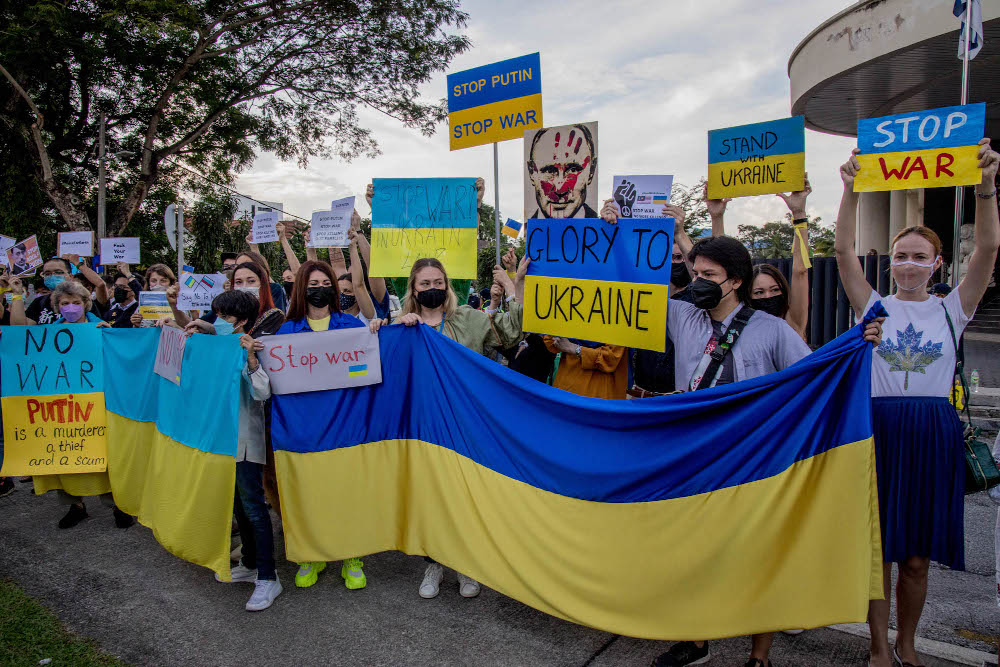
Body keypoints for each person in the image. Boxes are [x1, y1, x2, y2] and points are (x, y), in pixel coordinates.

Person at [598, 208, 884, 667]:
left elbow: (814, 374)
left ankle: (759, 655)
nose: (695, 280)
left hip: (754, 460)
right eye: (695, 272)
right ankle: (695, 642)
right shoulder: (683, 317)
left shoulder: (772, 330)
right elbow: (631, 286)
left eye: (707, 274)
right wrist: (611, 234)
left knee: (758, 555)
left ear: (733, 282)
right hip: (694, 453)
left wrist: (856, 343)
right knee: (692, 551)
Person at [834, 139, 999, 667]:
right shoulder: (873, 306)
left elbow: (989, 250)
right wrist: (851, 190)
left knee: (917, 558)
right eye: (901, 255)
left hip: (933, 431)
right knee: (878, 549)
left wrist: (987, 189)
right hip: (878, 425)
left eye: (919, 256)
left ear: (936, 263)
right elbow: (841, 252)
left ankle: (908, 642)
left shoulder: (954, 308)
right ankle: (880, 645)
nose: (907, 263)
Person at [372, 256, 526, 600]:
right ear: (413, 288)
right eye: (424, 284)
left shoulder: (469, 320)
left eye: (437, 283)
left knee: (464, 493)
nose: (432, 289)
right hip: (423, 426)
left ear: (447, 286)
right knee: (431, 496)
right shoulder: (404, 326)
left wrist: (514, 287)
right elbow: (383, 366)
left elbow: (510, 333)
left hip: (464, 424)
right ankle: (435, 562)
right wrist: (384, 330)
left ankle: (466, 564)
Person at [5, 278, 135, 529]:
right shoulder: (49, 332)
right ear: (57, 306)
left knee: (102, 457)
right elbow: (19, 332)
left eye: (76, 302)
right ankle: (76, 506)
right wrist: (17, 294)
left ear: (86, 304)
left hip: (95, 406)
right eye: (65, 303)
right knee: (64, 458)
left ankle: (118, 506)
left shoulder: (101, 328)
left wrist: (109, 336)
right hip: (61, 410)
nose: (71, 307)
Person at [187, 289, 284, 612]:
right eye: (216, 315)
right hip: (220, 440)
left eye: (225, 317)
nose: (219, 321)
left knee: (255, 507)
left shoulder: (251, 347)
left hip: (245, 440)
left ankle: (269, 578)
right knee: (239, 506)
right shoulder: (215, 345)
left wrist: (252, 361)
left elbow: (262, 392)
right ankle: (250, 561)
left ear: (242, 321)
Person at [275, 260, 369, 591]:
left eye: (324, 282)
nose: (319, 289)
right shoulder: (285, 333)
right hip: (302, 431)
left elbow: (365, 372)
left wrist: (377, 333)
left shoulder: (352, 328)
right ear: (302, 289)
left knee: (345, 493)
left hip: (344, 427)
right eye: (312, 284)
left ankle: (352, 556)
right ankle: (310, 556)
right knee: (307, 495)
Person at [526, 124, 598, 219]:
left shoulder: (605, 230)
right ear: (531, 172)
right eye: (549, 171)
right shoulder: (525, 233)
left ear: (591, 171)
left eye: (573, 170)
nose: (560, 189)